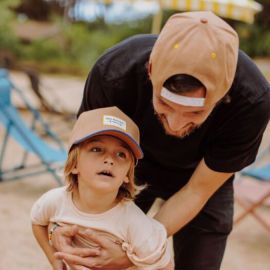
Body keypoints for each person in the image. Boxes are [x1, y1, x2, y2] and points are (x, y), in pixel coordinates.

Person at [52, 11, 270, 270]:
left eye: (195, 112)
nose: (175, 125)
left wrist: (136, 251)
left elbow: (197, 191)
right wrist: (65, 223)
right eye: (164, 104)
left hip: (201, 177)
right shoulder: (114, 73)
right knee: (86, 258)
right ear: (151, 71)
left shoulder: (252, 100)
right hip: (127, 167)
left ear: (224, 92)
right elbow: (86, 160)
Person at [31, 106, 173, 270]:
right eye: (97, 149)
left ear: (127, 174)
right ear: (74, 163)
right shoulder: (54, 201)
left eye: (121, 154)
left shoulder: (134, 223)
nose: (109, 159)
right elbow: (37, 221)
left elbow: (165, 265)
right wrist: (55, 260)